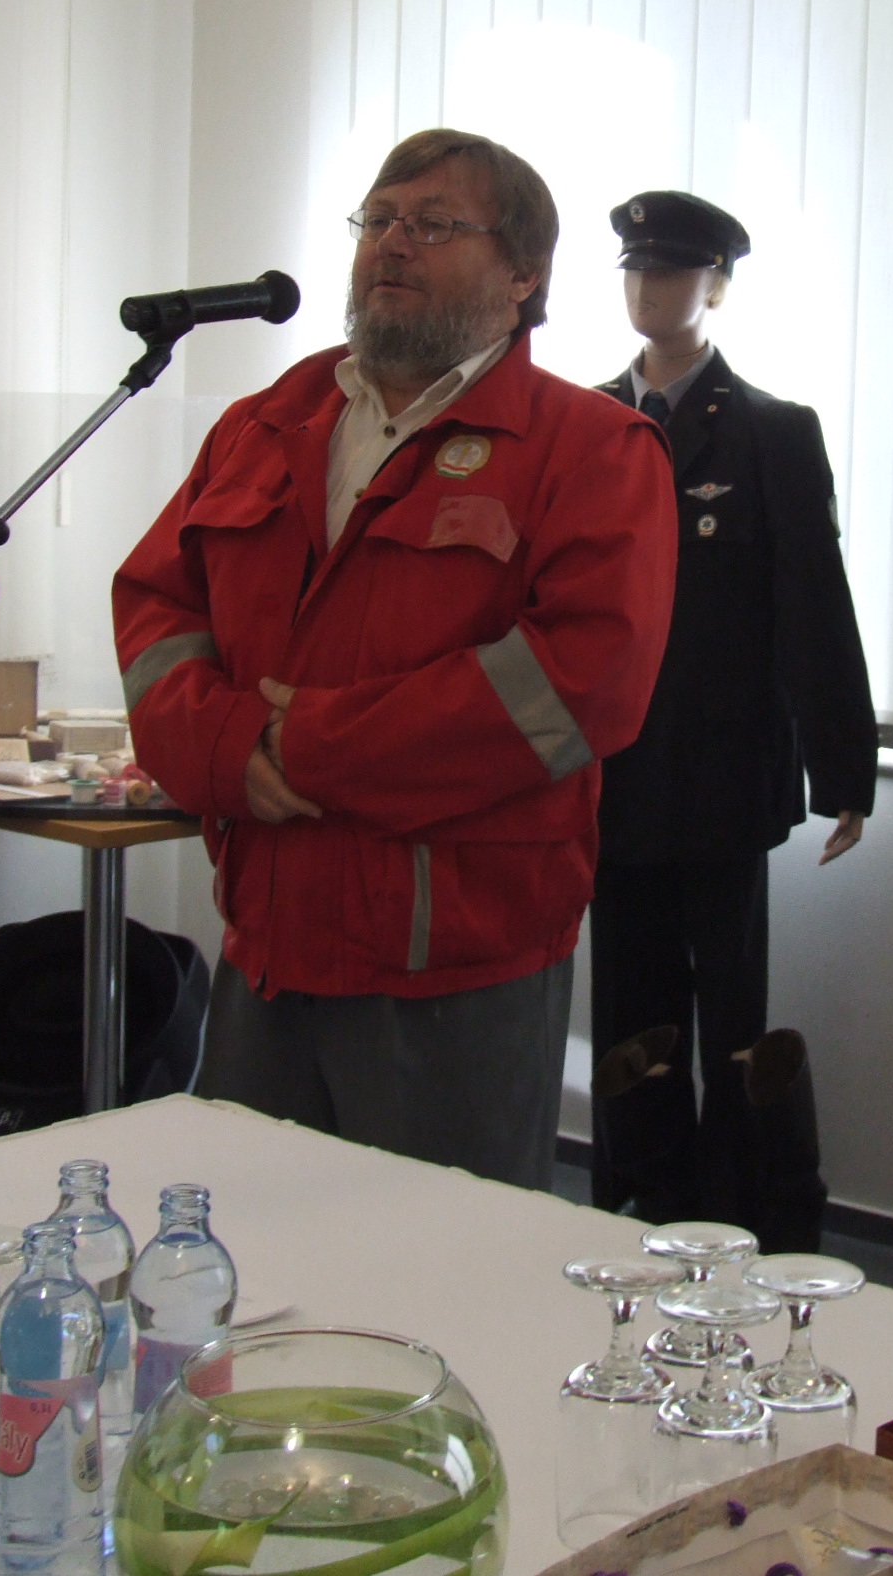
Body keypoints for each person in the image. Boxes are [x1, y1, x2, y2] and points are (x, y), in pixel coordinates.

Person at [113, 129, 676, 1190]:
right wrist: (226, 748)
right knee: (246, 1254)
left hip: (454, 969)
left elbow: (581, 684)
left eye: (434, 223)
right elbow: (157, 609)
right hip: (266, 945)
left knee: (435, 1270)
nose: (393, 243)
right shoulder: (263, 425)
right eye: (377, 219)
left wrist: (308, 748)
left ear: (523, 274)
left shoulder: (593, 449)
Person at [589, 190, 879, 1249]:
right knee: (630, 1014)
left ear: (716, 286)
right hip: (615, 778)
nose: (648, 289)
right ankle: (637, 1214)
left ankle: (752, 1225)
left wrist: (845, 772)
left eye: (672, 271)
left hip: (723, 777)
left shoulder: (771, 433)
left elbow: (814, 605)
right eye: (635, 269)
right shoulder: (584, 425)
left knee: (732, 1022)